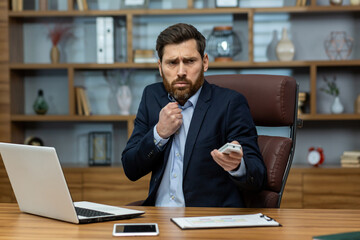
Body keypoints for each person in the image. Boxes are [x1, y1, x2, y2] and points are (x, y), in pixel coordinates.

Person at [121, 23, 266, 207]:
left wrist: (238, 166)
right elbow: (130, 169)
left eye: (189, 61)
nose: (181, 72)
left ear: (205, 62)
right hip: (158, 218)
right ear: (160, 67)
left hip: (205, 221)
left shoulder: (230, 103)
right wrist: (159, 134)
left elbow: (258, 177)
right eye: (172, 63)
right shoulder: (152, 96)